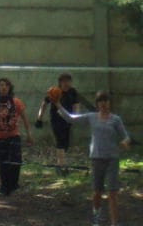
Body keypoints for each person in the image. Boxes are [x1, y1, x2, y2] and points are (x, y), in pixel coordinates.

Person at [55, 91, 131, 226]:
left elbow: (126, 136)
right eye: (100, 101)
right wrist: (58, 105)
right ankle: (96, 220)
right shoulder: (92, 117)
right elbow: (72, 118)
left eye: (105, 101)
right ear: (97, 104)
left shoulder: (115, 119)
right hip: (96, 158)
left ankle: (114, 223)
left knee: (112, 192)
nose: (103, 104)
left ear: (109, 103)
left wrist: (125, 142)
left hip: (112, 159)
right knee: (97, 192)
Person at [35, 72, 91, 174]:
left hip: (68, 120)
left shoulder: (73, 92)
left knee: (65, 143)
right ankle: (62, 166)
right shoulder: (54, 91)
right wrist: (39, 118)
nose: (66, 83)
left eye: (68, 81)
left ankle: (60, 162)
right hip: (56, 120)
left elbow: (76, 105)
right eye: (64, 81)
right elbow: (44, 104)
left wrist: (76, 117)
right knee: (60, 141)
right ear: (60, 83)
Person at [0, 76, 33, 196]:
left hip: (13, 135)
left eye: (6, 85)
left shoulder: (16, 101)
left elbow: (24, 118)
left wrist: (29, 134)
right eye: (1, 85)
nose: (3, 87)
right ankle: (4, 186)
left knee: (16, 161)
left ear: (9, 88)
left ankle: (14, 184)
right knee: (2, 162)